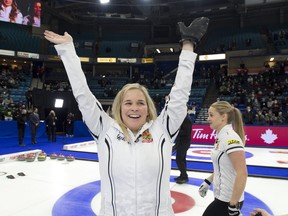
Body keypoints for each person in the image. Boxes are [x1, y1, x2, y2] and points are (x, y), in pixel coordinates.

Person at [44, 16, 209, 215]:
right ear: (119, 108)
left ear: (148, 108)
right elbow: (83, 96)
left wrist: (188, 45)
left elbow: (180, 93)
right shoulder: (105, 131)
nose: (134, 108)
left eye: (141, 103)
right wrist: (68, 51)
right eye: (128, 103)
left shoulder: (163, 130)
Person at [199, 101, 248, 216]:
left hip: (228, 201)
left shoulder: (230, 138)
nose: (208, 118)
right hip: (222, 198)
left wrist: (233, 205)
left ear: (223, 117)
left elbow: (242, 173)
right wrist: (208, 181)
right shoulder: (221, 137)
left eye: (211, 115)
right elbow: (222, 166)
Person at [173, 109, 193, 184]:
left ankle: (184, 176)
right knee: (181, 159)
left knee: (179, 159)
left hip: (184, 142)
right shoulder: (184, 118)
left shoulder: (186, 119)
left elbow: (186, 132)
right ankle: (182, 175)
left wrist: (176, 131)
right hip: (182, 142)